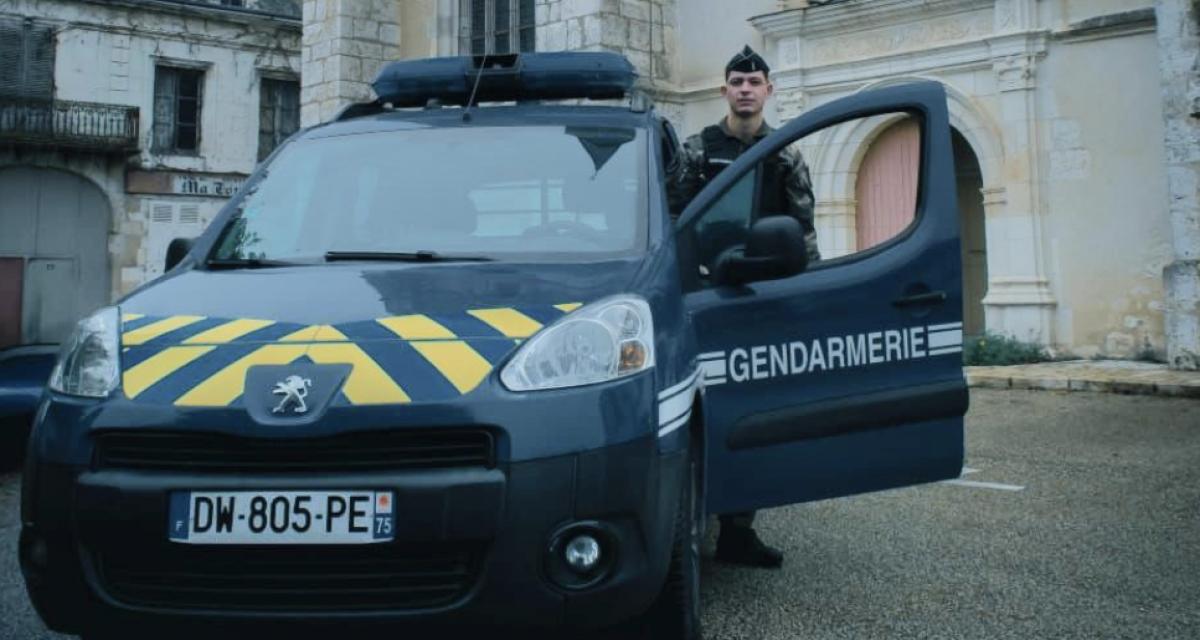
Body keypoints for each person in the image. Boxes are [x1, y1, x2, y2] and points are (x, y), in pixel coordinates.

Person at [670, 45, 821, 569]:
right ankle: (688, 513)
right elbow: (672, 223)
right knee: (699, 409)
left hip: (763, 303)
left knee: (752, 413)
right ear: (724, 90)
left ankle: (738, 529)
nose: (745, 89)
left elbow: (803, 233)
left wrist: (808, 298)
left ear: (769, 90)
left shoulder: (786, 154)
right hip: (705, 298)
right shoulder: (695, 150)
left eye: (755, 81)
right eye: (737, 80)